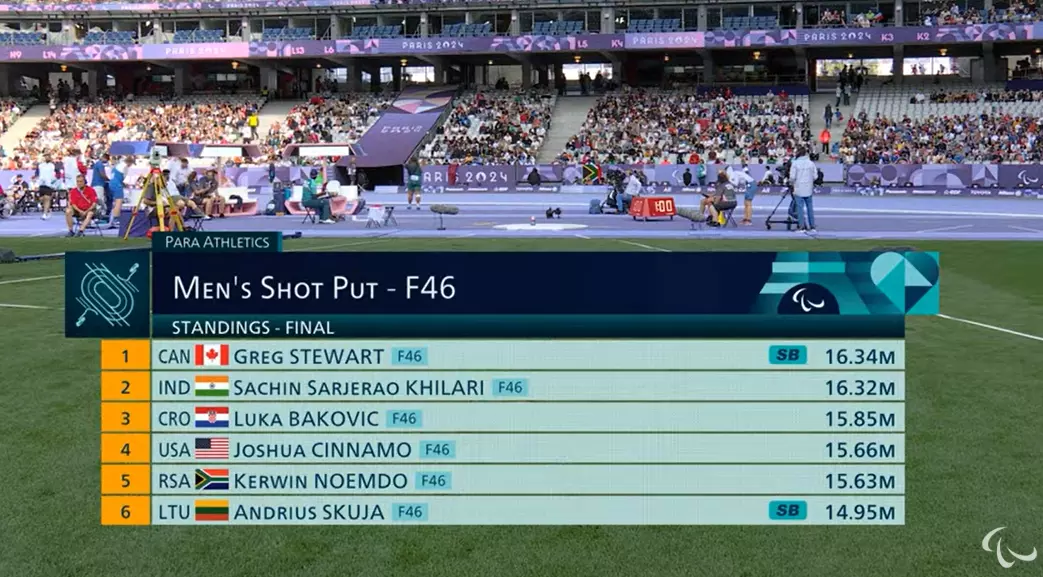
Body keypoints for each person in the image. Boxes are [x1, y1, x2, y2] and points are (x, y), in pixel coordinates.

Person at [788, 147, 818, 234]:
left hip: (799, 188)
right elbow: (815, 176)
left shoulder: (795, 163)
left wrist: (791, 182)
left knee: (800, 209)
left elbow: (792, 177)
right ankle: (812, 227)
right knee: (810, 208)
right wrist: (809, 180)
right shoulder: (811, 163)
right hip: (808, 188)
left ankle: (801, 227)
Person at [35, 154, 59, 220]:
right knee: (42, 199)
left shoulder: (53, 165)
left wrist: (54, 182)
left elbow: (58, 174)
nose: (47, 158)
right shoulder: (40, 165)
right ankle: (47, 210)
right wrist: (37, 184)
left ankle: (45, 214)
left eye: (48, 156)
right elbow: (37, 174)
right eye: (45, 156)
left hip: (49, 184)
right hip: (41, 184)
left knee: (47, 198)